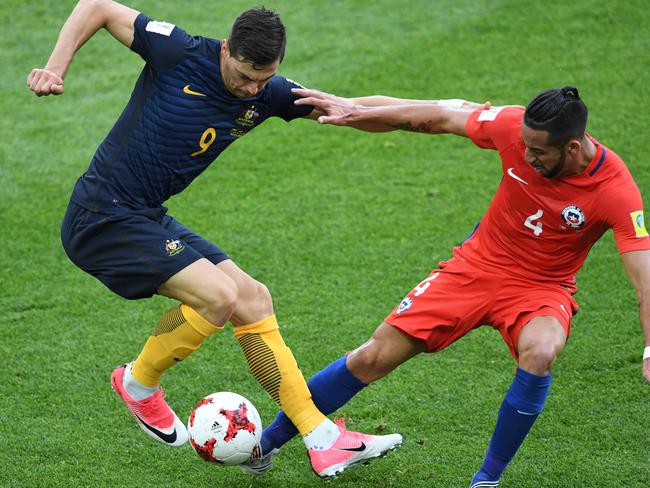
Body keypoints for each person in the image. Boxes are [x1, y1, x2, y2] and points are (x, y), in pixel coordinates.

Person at [26, 0, 402, 478]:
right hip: (101, 217)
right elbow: (95, 6)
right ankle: (138, 384)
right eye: (245, 76)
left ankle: (322, 438)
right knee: (219, 297)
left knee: (252, 298)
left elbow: (345, 108)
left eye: (263, 80)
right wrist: (55, 69)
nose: (252, 89)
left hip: (144, 215)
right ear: (226, 49)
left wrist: (434, 115)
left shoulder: (266, 93)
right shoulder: (179, 52)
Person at [247, 86, 650, 485]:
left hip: (542, 288)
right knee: (375, 356)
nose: (526, 157)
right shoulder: (513, 126)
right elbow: (434, 115)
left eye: (539, 152)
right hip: (475, 268)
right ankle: (268, 441)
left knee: (541, 351)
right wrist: (353, 109)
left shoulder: (615, 190)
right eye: (525, 146)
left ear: (574, 148)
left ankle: (487, 479)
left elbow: (644, 280)